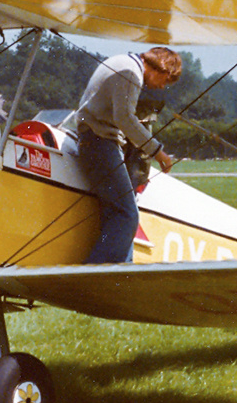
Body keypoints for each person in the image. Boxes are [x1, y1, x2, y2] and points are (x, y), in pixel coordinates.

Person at [75, 46, 182, 264]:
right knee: (127, 215)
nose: (162, 87)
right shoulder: (131, 73)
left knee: (116, 215)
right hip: (100, 143)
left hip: (92, 139)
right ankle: (97, 277)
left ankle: (121, 273)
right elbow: (125, 118)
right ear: (162, 69)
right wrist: (158, 152)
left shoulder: (121, 61)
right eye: (166, 80)